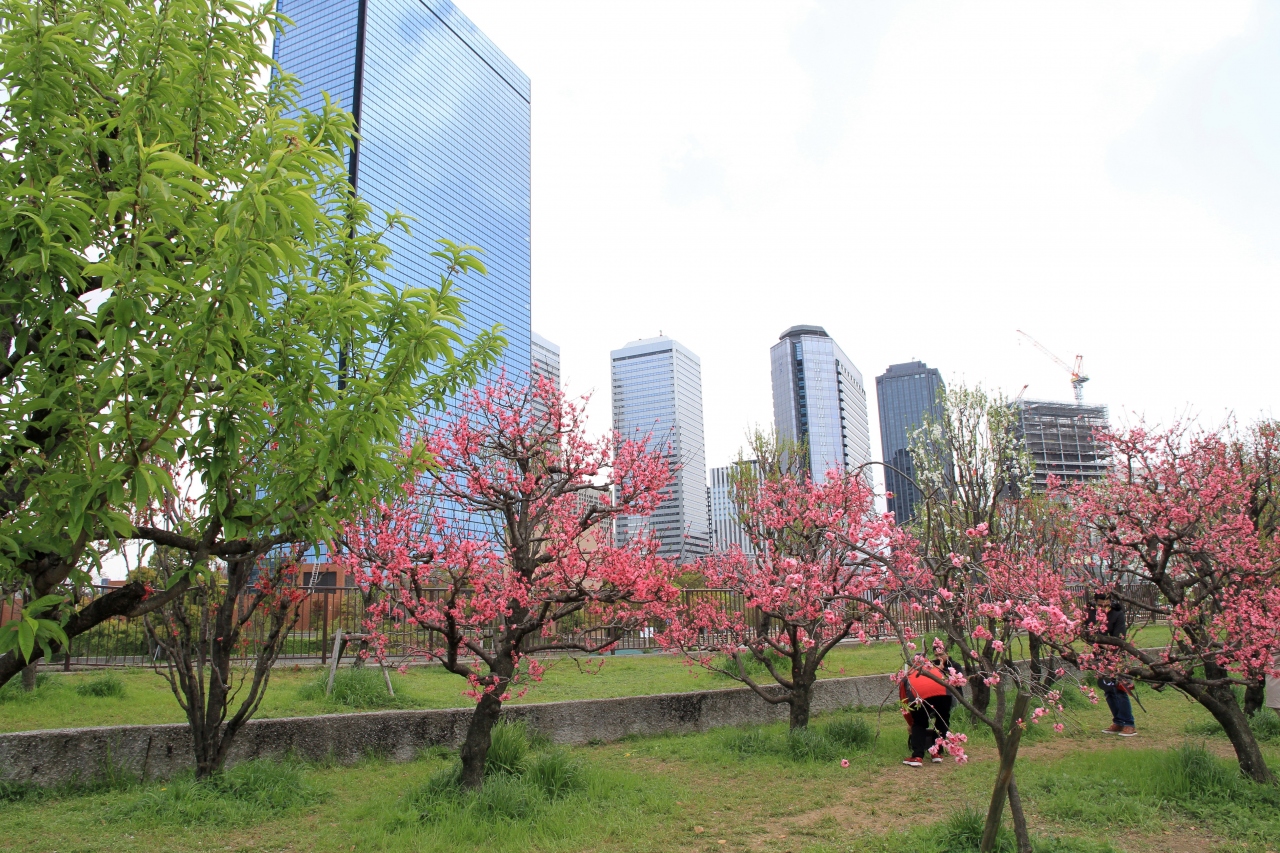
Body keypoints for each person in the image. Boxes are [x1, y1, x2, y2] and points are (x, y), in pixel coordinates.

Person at [1093, 592, 1136, 737]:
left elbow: (1118, 639)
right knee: (1108, 690)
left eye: (1106, 605)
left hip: (1117, 656)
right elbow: (1089, 634)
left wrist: (1102, 643)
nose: (1103, 608)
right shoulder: (1093, 614)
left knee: (1120, 689)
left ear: (1111, 602)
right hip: (1100, 656)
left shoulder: (1118, 615)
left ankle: (1129, 723)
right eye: (1100, 605)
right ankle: (1118, 721)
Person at [899, 659, 952, 767]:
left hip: (919, 696)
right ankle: (936, 752)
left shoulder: (907, 676)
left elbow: (904, 703)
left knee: (919, 723)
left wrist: (910, 722)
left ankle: (917, 756)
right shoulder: (936, 669)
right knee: (942, 719)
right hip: (945, 694)